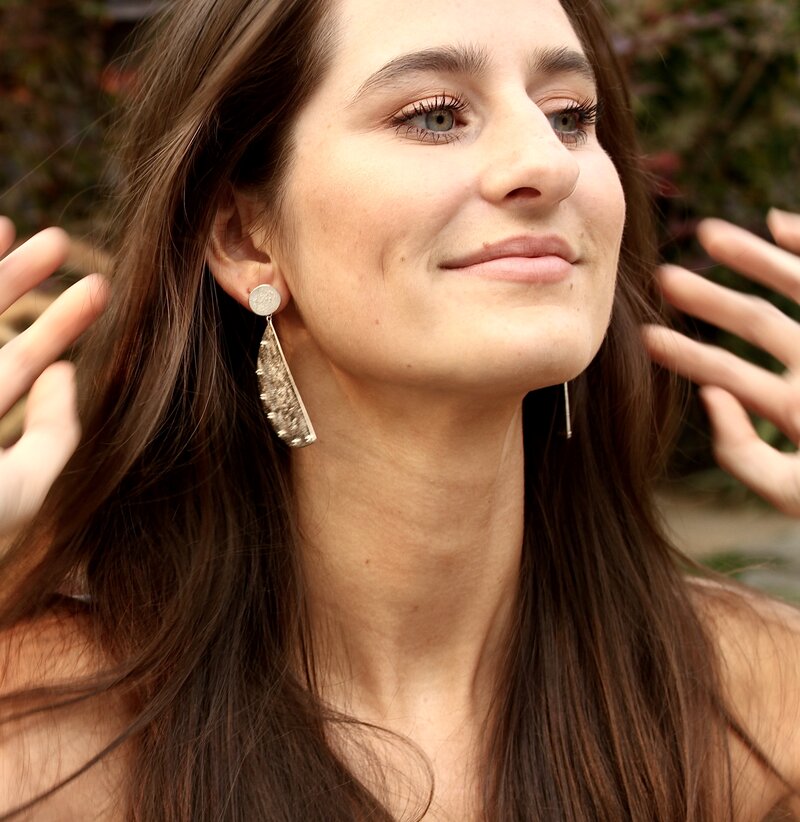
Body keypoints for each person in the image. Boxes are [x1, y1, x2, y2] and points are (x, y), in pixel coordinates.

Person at [0, 0, 799, 818]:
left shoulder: (762, 711)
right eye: (435, 115)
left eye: (570, 116)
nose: (549, 164)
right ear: (245, 238)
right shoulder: (45, 738)